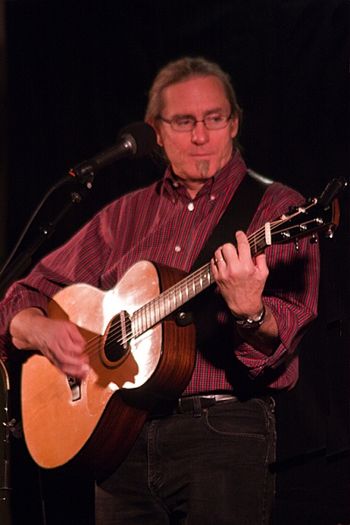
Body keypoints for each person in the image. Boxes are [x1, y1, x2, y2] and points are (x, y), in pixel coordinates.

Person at [0, 56, 320, 525]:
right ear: (155, 132)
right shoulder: (122, 217)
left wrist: (250, 313)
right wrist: (38, 330)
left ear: (234, 124)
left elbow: (289, 326)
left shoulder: (277, 209)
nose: (199, 135)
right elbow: (21, 294)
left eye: (214, 119)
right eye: (184, 121)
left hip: (223, 430)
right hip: (119, 437)